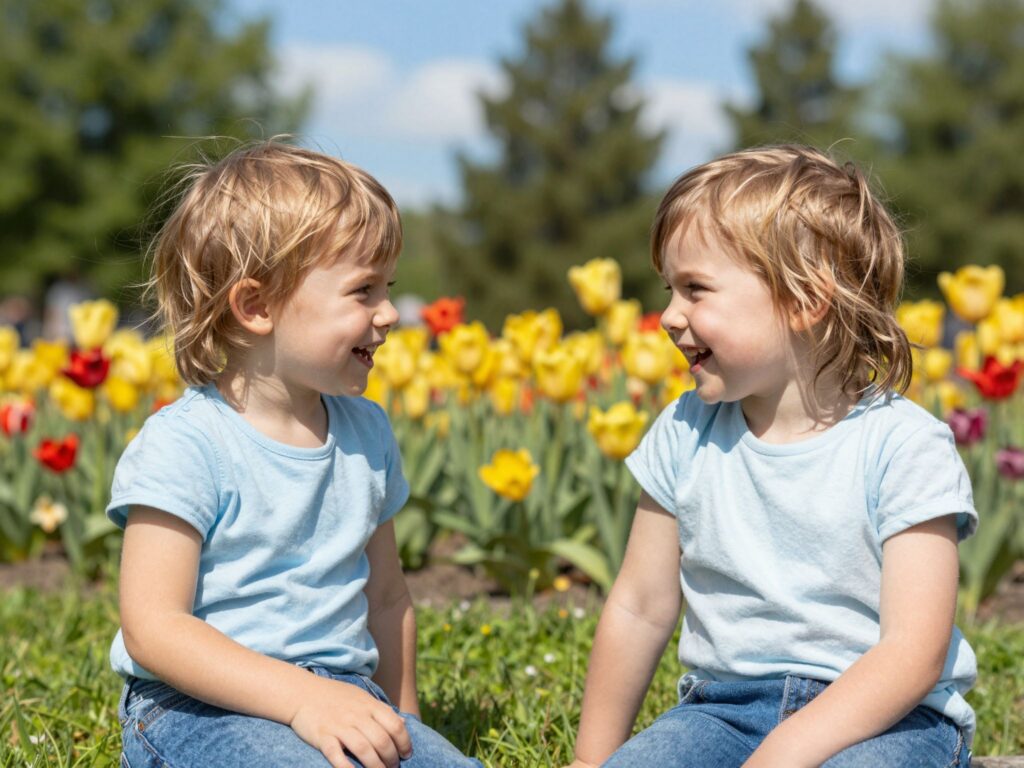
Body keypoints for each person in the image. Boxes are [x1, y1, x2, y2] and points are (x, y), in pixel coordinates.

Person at [567, 145, 977, 767]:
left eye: (695, 289)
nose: (670, 317)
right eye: (669, 290)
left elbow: (912, 652)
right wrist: (592, 760)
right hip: (722, 711)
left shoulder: (903, 446)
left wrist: (785, 752)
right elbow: (639, 606)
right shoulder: (685, 432)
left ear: (804, 300)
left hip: (888, 720)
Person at [109, 140, 482, 768]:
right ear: (256, 306)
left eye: (387, 287)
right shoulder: (188, 444)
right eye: (363, 291)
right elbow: (154, 627)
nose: (390, 313)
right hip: (200, 709)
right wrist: (303, 699)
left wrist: (405, 728)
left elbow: (387, 597)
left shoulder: (366, 435)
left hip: (344, 694)